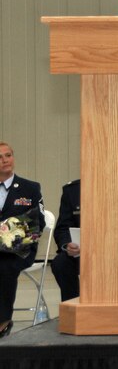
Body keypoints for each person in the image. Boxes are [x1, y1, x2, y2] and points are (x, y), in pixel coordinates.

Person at [0, 141, 45, 338]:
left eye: (8, 155)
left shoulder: (30, 188)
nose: (4, 161)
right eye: (0, 158)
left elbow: (39, 222)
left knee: (4, 265)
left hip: (18, 250)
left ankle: (3, 321)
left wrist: (7, 234)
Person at [50, 179, 80, 302]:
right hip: (82, 252)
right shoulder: (73, 190)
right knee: (61, 263)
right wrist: (67, 244)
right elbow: (63, 228)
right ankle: (73, 307)